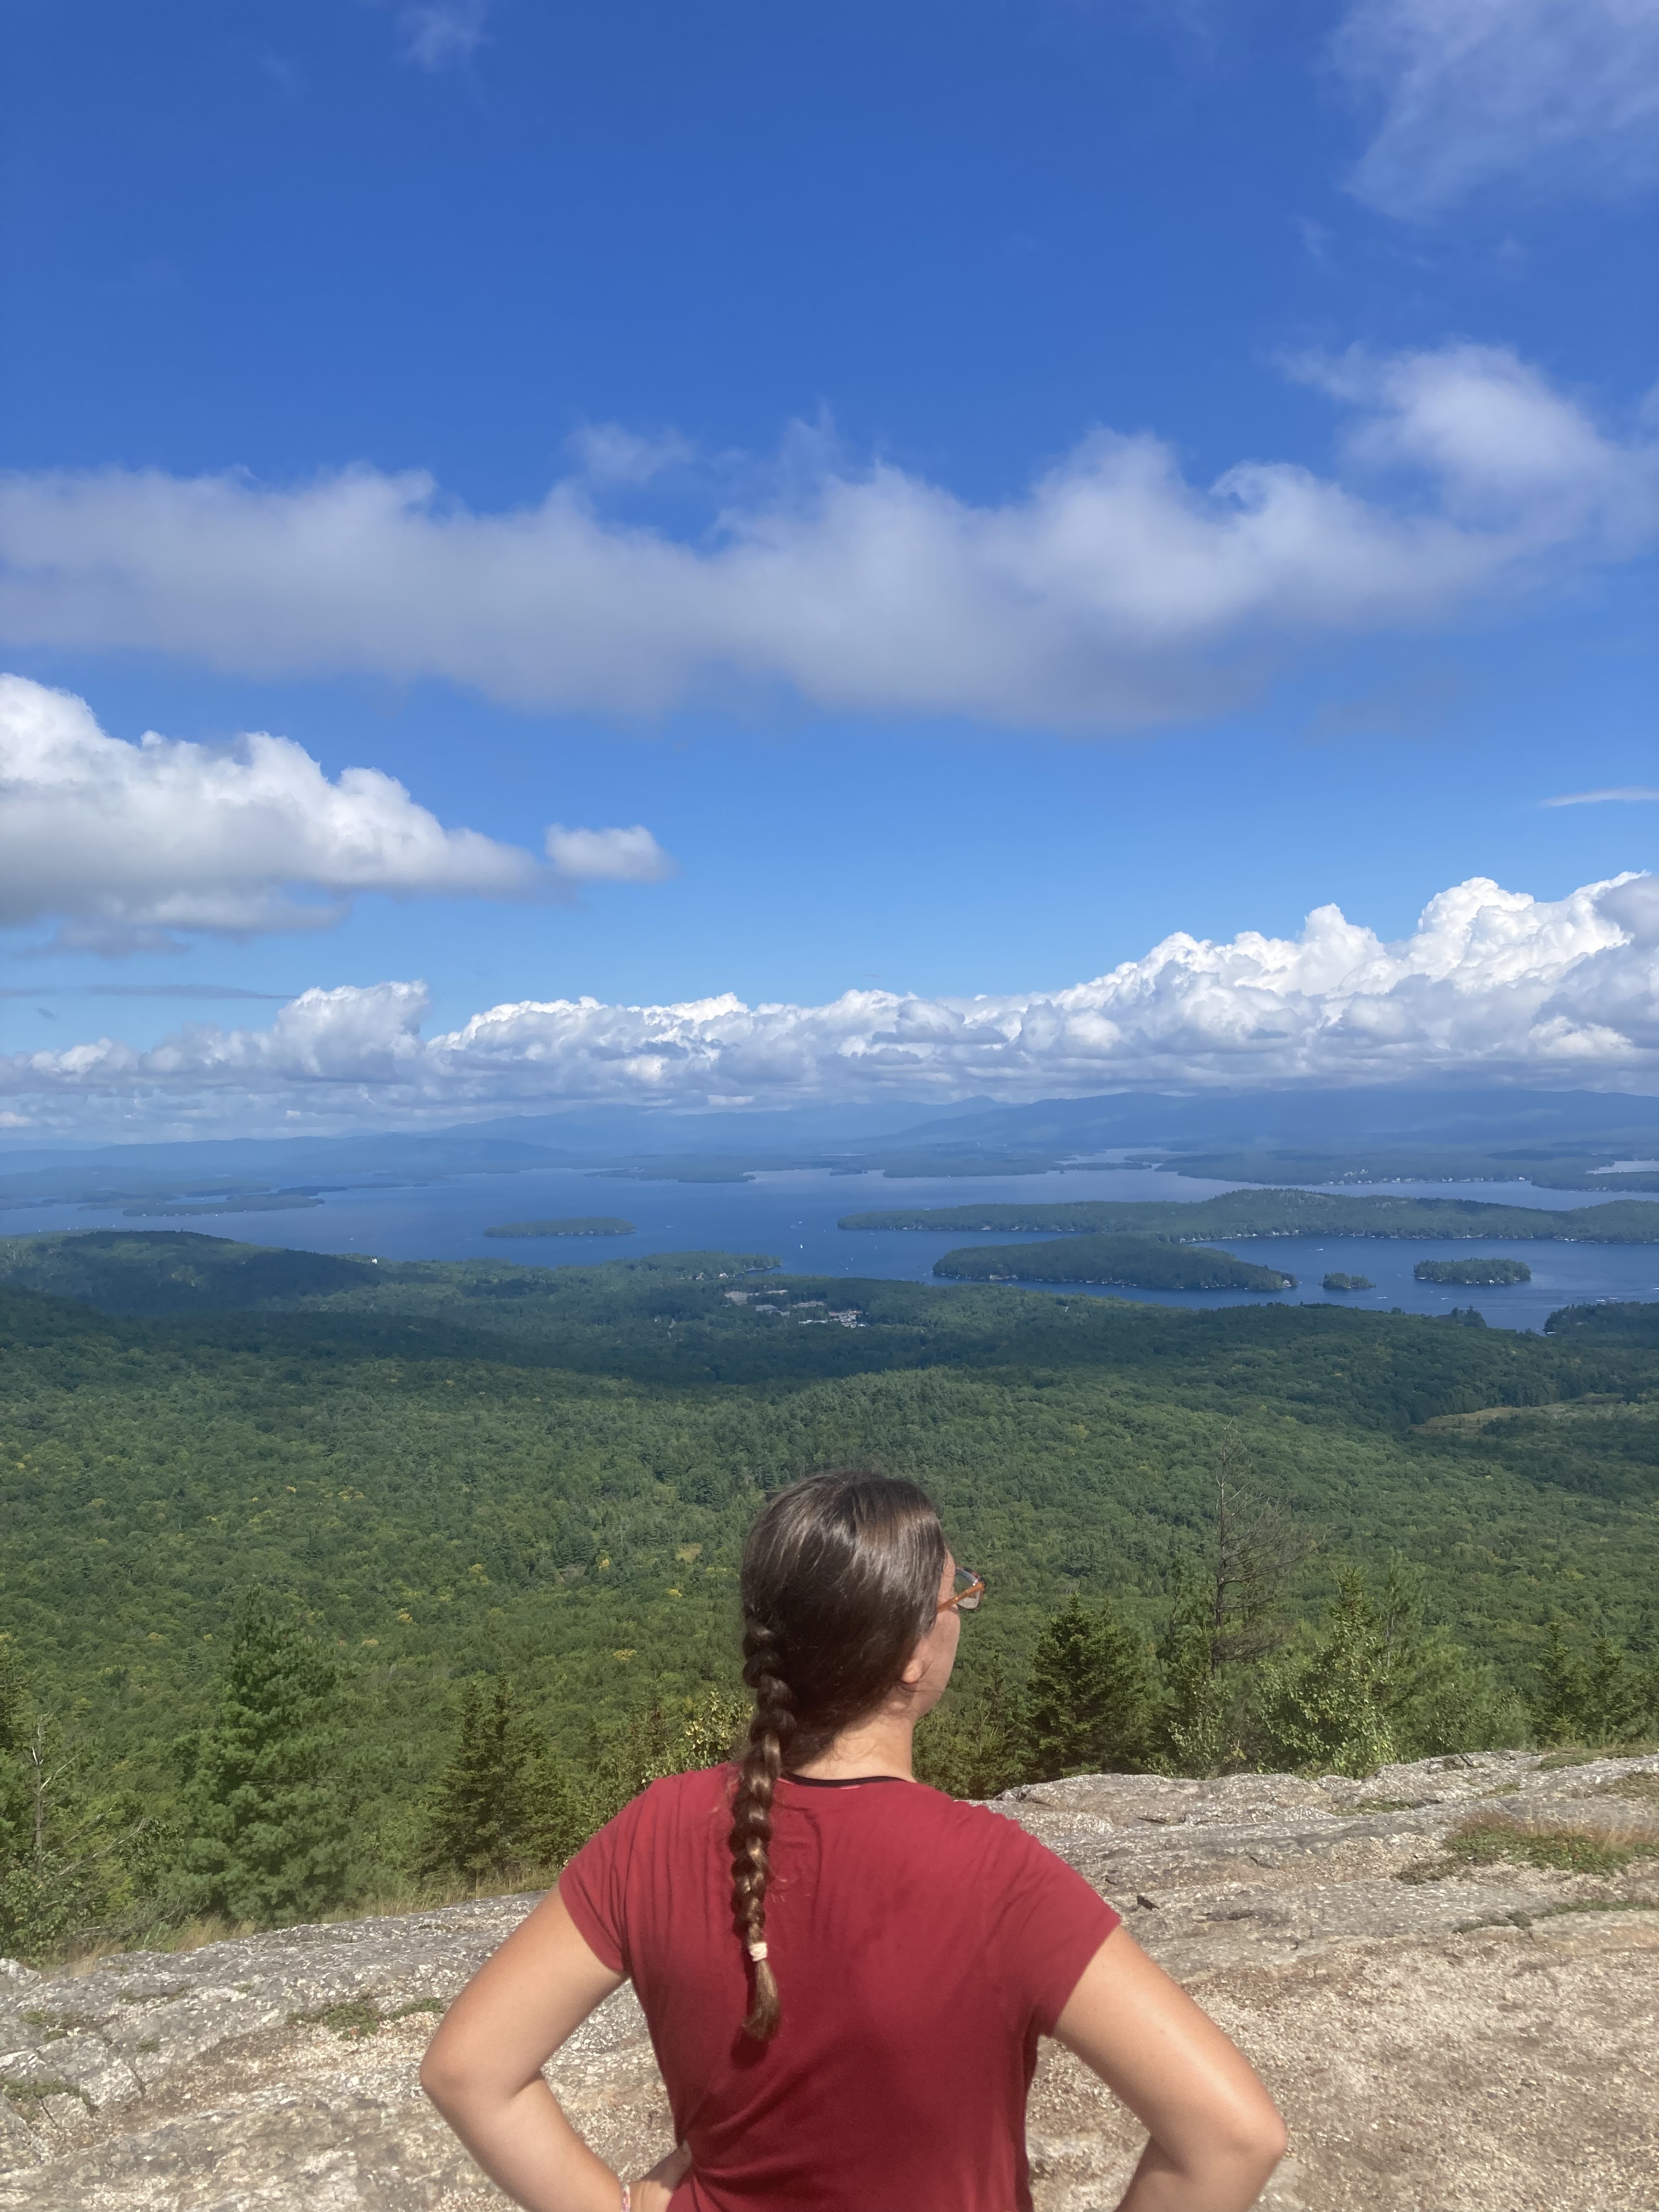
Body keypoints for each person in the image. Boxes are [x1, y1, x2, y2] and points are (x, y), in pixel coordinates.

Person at [421, 1471, 1287, 2211]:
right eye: (960, 1593)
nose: (967, 1606)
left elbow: (470, 2071)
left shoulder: (656, 1830)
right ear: (912, 1653)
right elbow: (1232, 2136)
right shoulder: (996, 1876)